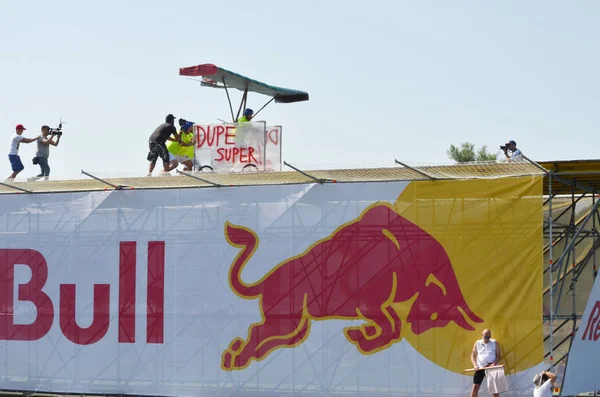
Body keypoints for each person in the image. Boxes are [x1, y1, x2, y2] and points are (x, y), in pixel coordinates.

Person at [470, 329, 502, 397]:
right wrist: (475, 365)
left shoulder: (494, 342)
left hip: (491, 367)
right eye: (485, 337)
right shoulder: (477, 343)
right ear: (482, 335)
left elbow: (498, 356)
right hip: (480, 367)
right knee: (475, 387)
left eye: (488, 337)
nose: (487, 339)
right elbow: (473, 355)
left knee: (494, 389)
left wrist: (494, 363)